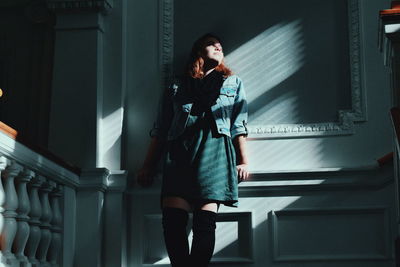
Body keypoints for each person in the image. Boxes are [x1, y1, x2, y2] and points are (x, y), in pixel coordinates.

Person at [137, 33, 250, 267]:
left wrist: (244, 160)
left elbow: (239, 126)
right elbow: (161, 127)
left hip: (215, 154)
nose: (219, 47)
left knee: (204, 224)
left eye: (221, 46)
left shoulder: (233, 83)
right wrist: (148, 165)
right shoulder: (178, 85)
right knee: (173, 223)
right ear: (199, 51)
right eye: (212, 44)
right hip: (179, 154)